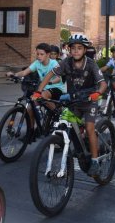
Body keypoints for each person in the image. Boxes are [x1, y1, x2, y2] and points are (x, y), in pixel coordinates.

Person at [34, 34, 107, 176]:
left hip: (89, 101)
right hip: (74, 101)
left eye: (79, 48)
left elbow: (103, 84)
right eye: (73, 48)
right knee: (67, 121)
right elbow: (50, 74)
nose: (76, 51)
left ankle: (94, 160)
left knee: (90, 127)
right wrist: (39, 91)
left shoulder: (91, 64)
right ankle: (79, 145)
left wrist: (98, 93)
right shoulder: (66, 62)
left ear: (85, 50)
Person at [6, 43, 64, 131]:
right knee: (30, 107)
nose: (39, 56)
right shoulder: (37, 63)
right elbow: (25, 72)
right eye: (37, 54)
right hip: (43, 89)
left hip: (57, 88)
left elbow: (58, 78)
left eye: (41, 54)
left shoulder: (53, 63)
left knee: (43, 96)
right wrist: (14, 74)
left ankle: (58, 113)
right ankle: (31, 131)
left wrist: (49, 82)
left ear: (48, 55)